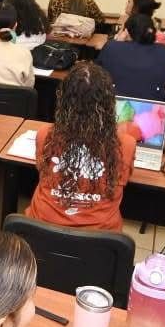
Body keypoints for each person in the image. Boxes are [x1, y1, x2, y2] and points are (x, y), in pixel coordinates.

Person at [25, 62, 136, 231]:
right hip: (100, 241)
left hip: (41, 231)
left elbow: (42, 171)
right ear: (109, 103)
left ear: (62, 100)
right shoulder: (126, 144)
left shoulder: (45, 135)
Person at [97, 14, 165, 101]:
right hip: (150, 111)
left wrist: (117, 41)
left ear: (126, 32)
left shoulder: (111, 47)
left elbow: (98, 78)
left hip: (114, 108)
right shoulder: (163, 50)